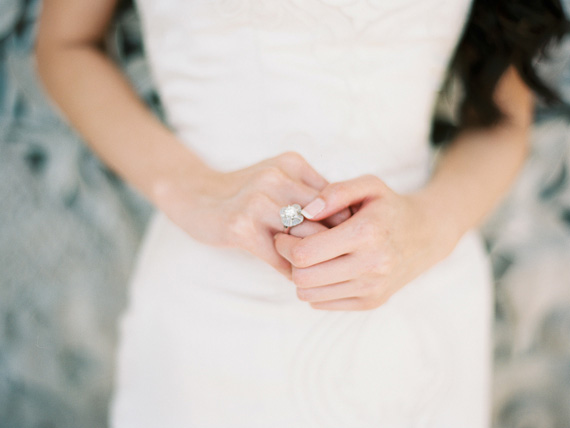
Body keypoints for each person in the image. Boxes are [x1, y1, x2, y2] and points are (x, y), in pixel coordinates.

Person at [34, 0, 568, 426]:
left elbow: (503, 117)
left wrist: (429, 227)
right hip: (213, 310)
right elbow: (65, 44)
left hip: (419, 297)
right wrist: (195, 190)